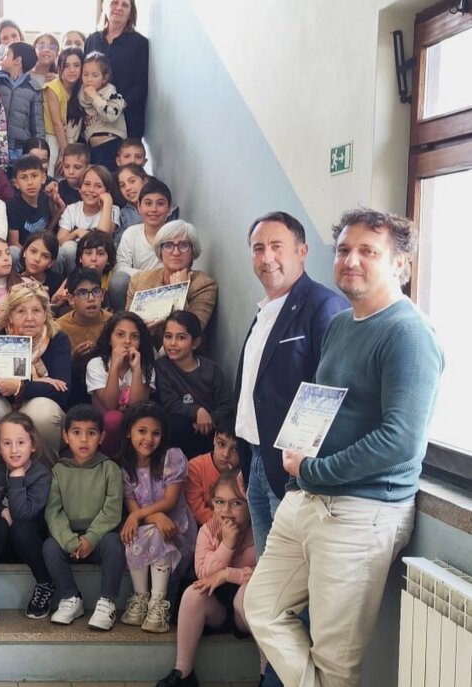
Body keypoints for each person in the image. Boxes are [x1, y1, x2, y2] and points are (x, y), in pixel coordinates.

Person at [244, 208, 444, 687]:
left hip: (362, 512)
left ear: (400, 265)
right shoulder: (341, 324)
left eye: (368, 251)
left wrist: (312, 471)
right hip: (307, 497)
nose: (351, 260)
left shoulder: (408, 333)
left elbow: (400, 441)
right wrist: (299, 459)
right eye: (344, 250)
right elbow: (322, 404)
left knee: (336, 661)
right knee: (261, 608)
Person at [233, 211, 348, 557]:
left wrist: (300, 470)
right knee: (268, 576)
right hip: (256, 461)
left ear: (302, 251)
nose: (267, 257)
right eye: (258, 248)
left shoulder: (323, 306)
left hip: (292, 470)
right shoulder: (265, 310)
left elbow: (328, 391)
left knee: (291, 575)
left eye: (276, 246)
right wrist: (247, 460)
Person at [156, 470, 257, 687]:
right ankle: (183, 672)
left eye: (236, 503)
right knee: (193, 593)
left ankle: (267, 675)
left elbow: (264, 575)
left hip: (246, 612)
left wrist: (227, 574)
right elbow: (203, 573)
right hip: (217, 609)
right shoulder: (208, 531)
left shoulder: (259, 532)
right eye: (219, 502)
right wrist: (227, 545)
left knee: (247, 592)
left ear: (250, 504)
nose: (226, 511)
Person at [0, 284, 72, 465]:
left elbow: (62, 390)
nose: (29, 318)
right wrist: (13, 385)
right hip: (4, 407)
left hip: (39, 411)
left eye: (36, 311)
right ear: (10, 315)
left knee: (41, 410)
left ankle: (42, 472)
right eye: (21, 311)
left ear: (45, 314)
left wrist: (19, 386)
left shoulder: (58, 339)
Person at [117, 402, 197, 634]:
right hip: (149, 527)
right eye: (142, 431)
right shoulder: (125, 467)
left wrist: (147, 515)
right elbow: (134, 513)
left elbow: (170, 501)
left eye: (156, 433)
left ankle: (158, 603)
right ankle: (141, 597)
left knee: (155, 532)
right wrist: (149, 516)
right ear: (129, 432)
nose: (149, 439)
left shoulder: (172, 457)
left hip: (176, 528)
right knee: (134, 533)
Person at [43, 404, 124, 630]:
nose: (84, 440)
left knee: (114, 543)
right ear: (65, 436)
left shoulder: (110, 469)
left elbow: (112, 510)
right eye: (76, 432)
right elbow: (53, 511)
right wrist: (70, 541)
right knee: (49, 547)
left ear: (102, 437)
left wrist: (91, 538)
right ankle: (70, 597)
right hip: (69, 541)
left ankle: (107, 602)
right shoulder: (58, 470)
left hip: (99, 539)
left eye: (91, 433)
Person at [0, 412, 55, 619]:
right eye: (6, 443)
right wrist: (1, 511)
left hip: (28, 546)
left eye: (21, 442)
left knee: (20, 527)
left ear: (33, 445)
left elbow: (22, 514)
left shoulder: (40, 474)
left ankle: (45, 583)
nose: (14, 450)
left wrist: (16, 478)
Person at [126, 220, 218, 350]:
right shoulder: (139, 280)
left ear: (193, 252)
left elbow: (192, 331)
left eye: (183, 245)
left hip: (181, 355)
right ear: (160, 251)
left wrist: (179, 290)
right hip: (141, 349)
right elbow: (128, 326)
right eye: (168, 245)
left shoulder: (204, 285)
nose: (176, 252)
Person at [154, 310, 233, 460]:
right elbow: (169, 403)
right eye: (168, 336)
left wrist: (209, 420)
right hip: (178, 434)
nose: (172, 343)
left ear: (195, 343)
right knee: (177, 424)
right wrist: (197, 411)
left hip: (209, 431)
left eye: (181, 337)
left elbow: (225, 404)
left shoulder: (211, 369)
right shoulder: (161, 367)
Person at [85, 0, 150, 140]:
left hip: (125, 120)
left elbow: (140, 85)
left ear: (131, 13)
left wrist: (116, 106)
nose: (119, 8)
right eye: (114, 3)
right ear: (105, 7)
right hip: (94, 120)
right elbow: (84, 76)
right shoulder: (92, 39)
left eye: (125, 5)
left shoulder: (139, 43)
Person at [86, 311, 153, 456]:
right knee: (114, 419)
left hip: (135, 420)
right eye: (120, 335)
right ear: (110, 339)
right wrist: (115, 366)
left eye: (134, 336)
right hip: (105, 423)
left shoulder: (146, 366)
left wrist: (136, 369)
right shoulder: (96, 364)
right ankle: (107, 461)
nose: (127, 341)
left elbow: (137, 407)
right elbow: (110, 405)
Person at [112, 177, 173, 311]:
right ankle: (121, 320)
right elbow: (120, 267)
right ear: (139, 207)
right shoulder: (131, 233)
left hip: (166, 291)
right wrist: (150, 277)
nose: (154, 209)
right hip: (138, 289)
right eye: (148, 203)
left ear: (169, 208)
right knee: (118, 281)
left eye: (160, 204)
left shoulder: (176, 235)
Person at [57, 268, 112, 406]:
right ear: (71, 299)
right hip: (72, 390)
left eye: (96, 291)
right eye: (82, 293)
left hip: (107, 386)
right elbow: (55, 373)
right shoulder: (59, 327)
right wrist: (73, 357)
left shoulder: (114, 323)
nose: (91, 298)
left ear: (103, 295)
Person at [57, 165, 117, 274]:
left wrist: (107, 202)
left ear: (107, 191)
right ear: (80, 188)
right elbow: (59, 242)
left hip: (101, 265)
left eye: (98, 186)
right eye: (87, 184)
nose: (91, 190)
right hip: (76, 264)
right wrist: (76, 232)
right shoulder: (72, 209)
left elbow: (102, 238)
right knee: (69, 247)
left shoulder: (112, 209)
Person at [0, 42, 45, 163]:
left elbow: (37, 124)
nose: (1, 58)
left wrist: (39, 148)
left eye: (6, 54)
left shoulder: (33, 88)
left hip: (21, 149)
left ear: (17, 60)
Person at [79, 52, 128, 167]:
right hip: (91, 148)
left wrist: (95, 97)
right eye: (85, 74)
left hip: (110, 145)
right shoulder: (81, 93)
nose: (89, 79)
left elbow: (111, 115)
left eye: (95, 75)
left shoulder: (111, 93)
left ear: (104, 78)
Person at [7, 154, 62, 256]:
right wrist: (31, 256)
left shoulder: (45, 197)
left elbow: (48, 231)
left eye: (34, 176)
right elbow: (14, 243)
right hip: (23, 253)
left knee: (59, 253)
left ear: (43, 178)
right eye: (24, 177)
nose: (30, 182)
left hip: (43, 251)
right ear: (16, 183)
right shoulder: (12, 206)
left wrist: (59, 206)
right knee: (13, 252)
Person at [43, 47, 85, 176]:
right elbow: (57, 123)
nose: (72, 70)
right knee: (50, 174)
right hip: (52, 138)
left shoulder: (81, 90)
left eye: (76, 65)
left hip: (71, 139)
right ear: (60, 68)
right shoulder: (53, 87)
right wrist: (66, 153)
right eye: (66, 66)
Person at [185, 429, 240, 526]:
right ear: (214, 439)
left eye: (235, 449)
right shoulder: (196, 467)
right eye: (221, 444)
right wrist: (225, 524)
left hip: (238, 527)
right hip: (206, 528)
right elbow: (197, 511)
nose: (226, 454)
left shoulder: (243, 473)